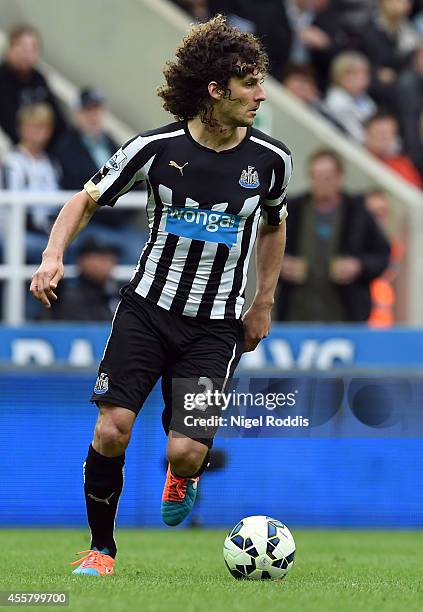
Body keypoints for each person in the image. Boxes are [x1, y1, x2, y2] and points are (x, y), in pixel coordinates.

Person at [30, 15, 292, 576]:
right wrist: (53, 255)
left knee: (186, 450)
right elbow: (86, 199)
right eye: (247, 84)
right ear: (215, 91)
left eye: (260, 81)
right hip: (145, 313)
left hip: (215, 327)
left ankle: (183, 474)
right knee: (111, 428)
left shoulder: (272, 161)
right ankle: (102, 550)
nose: (260, 94)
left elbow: (274, 226)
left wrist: (262, 301)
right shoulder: (155, 148)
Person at [277, 149, 390, 322]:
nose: (323, 182)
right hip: (295, 313)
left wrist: (358, 266)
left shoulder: (358, 212)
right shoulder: (292, 210)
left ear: (339, 177)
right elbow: (264, 249)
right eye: (317, 176)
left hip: (346, 314)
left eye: (328, 177)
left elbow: (382, 255)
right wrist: (281, 265)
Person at [53, 87, 144, 264]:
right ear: (77, 114)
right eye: (87, 111)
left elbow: (134, 180)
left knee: (143, 250)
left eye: (96, 110)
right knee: (130, 252)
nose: (93, 116)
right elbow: (78, 186)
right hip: (89, 224)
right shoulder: (65, 147)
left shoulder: (110, 143)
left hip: (117, 224)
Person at [2, 103, 61, 264]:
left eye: (44, 126)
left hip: (49, 231)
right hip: (18, 232)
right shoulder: (13, 163)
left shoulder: (51, 163)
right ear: (21, 128)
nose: (39, 132)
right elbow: (13, 209)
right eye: (33, 126)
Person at [0, 25, 66, 147]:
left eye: (33, 48)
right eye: (23, 47)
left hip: (51, 148)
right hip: (21, 150)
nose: (27, 53)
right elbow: (10, 126)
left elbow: (59, 120)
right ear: (10, 48)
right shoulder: (3, 80)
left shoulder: (39, 78)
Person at [41, 237, 120, 321]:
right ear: (82, 260)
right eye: (100, 257)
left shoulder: (117, 293)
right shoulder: (66, 296)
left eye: (110, 257)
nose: (107, 262)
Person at [325, 52, 377, 143]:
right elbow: (357, 137)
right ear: (340, 75)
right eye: (354, 73)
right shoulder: (336, 101)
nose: (362, 78)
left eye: (364, 73)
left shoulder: (366, 100)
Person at [364, 111, 423, 188]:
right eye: (380, 132)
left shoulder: (402, 166)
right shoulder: (353, 152)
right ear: (368, 131)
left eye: (389, 133)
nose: (384, 138)